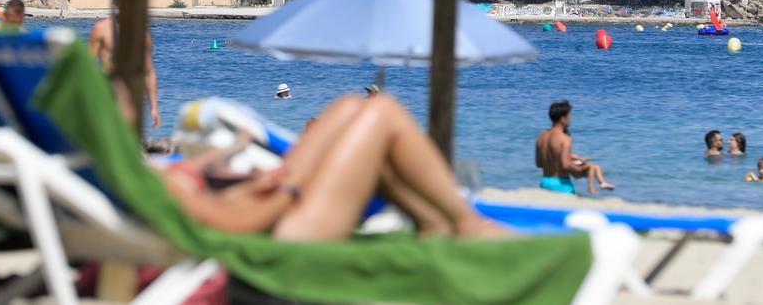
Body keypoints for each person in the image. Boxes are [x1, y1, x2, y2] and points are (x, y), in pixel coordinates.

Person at [153, 91, 505, 239]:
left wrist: (247, 177)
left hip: (263, 200)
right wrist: (287, 189)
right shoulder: (143, 181)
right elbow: (235, 223)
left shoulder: (133, 174)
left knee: (351, 107)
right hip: (280, 223)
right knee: (382, 112)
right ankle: (466, 222)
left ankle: (433, 221)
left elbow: (205, 202)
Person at [89, 17, 160, 130]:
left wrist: (154, 108)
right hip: (107, 93)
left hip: (131, 97)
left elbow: (149, 72)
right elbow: (88, 66)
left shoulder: (142, 35)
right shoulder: (102, 29)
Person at [535, 101, 614, 195]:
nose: (570, 119)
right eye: (569, 116)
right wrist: (582, 171)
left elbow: (539, 163)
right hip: (561, 185)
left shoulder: (541, 137)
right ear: (563, 118)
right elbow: (566, 165)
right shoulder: (565, 138)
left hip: (545, 182)